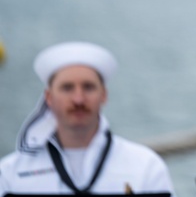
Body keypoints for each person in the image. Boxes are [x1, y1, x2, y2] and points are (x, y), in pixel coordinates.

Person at [0, 41, 175, 196]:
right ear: (49, 97)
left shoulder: (147, 167)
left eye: (88, 87)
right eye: (67, 88)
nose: (78, 99)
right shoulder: (9, 174)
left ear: (104, 95)